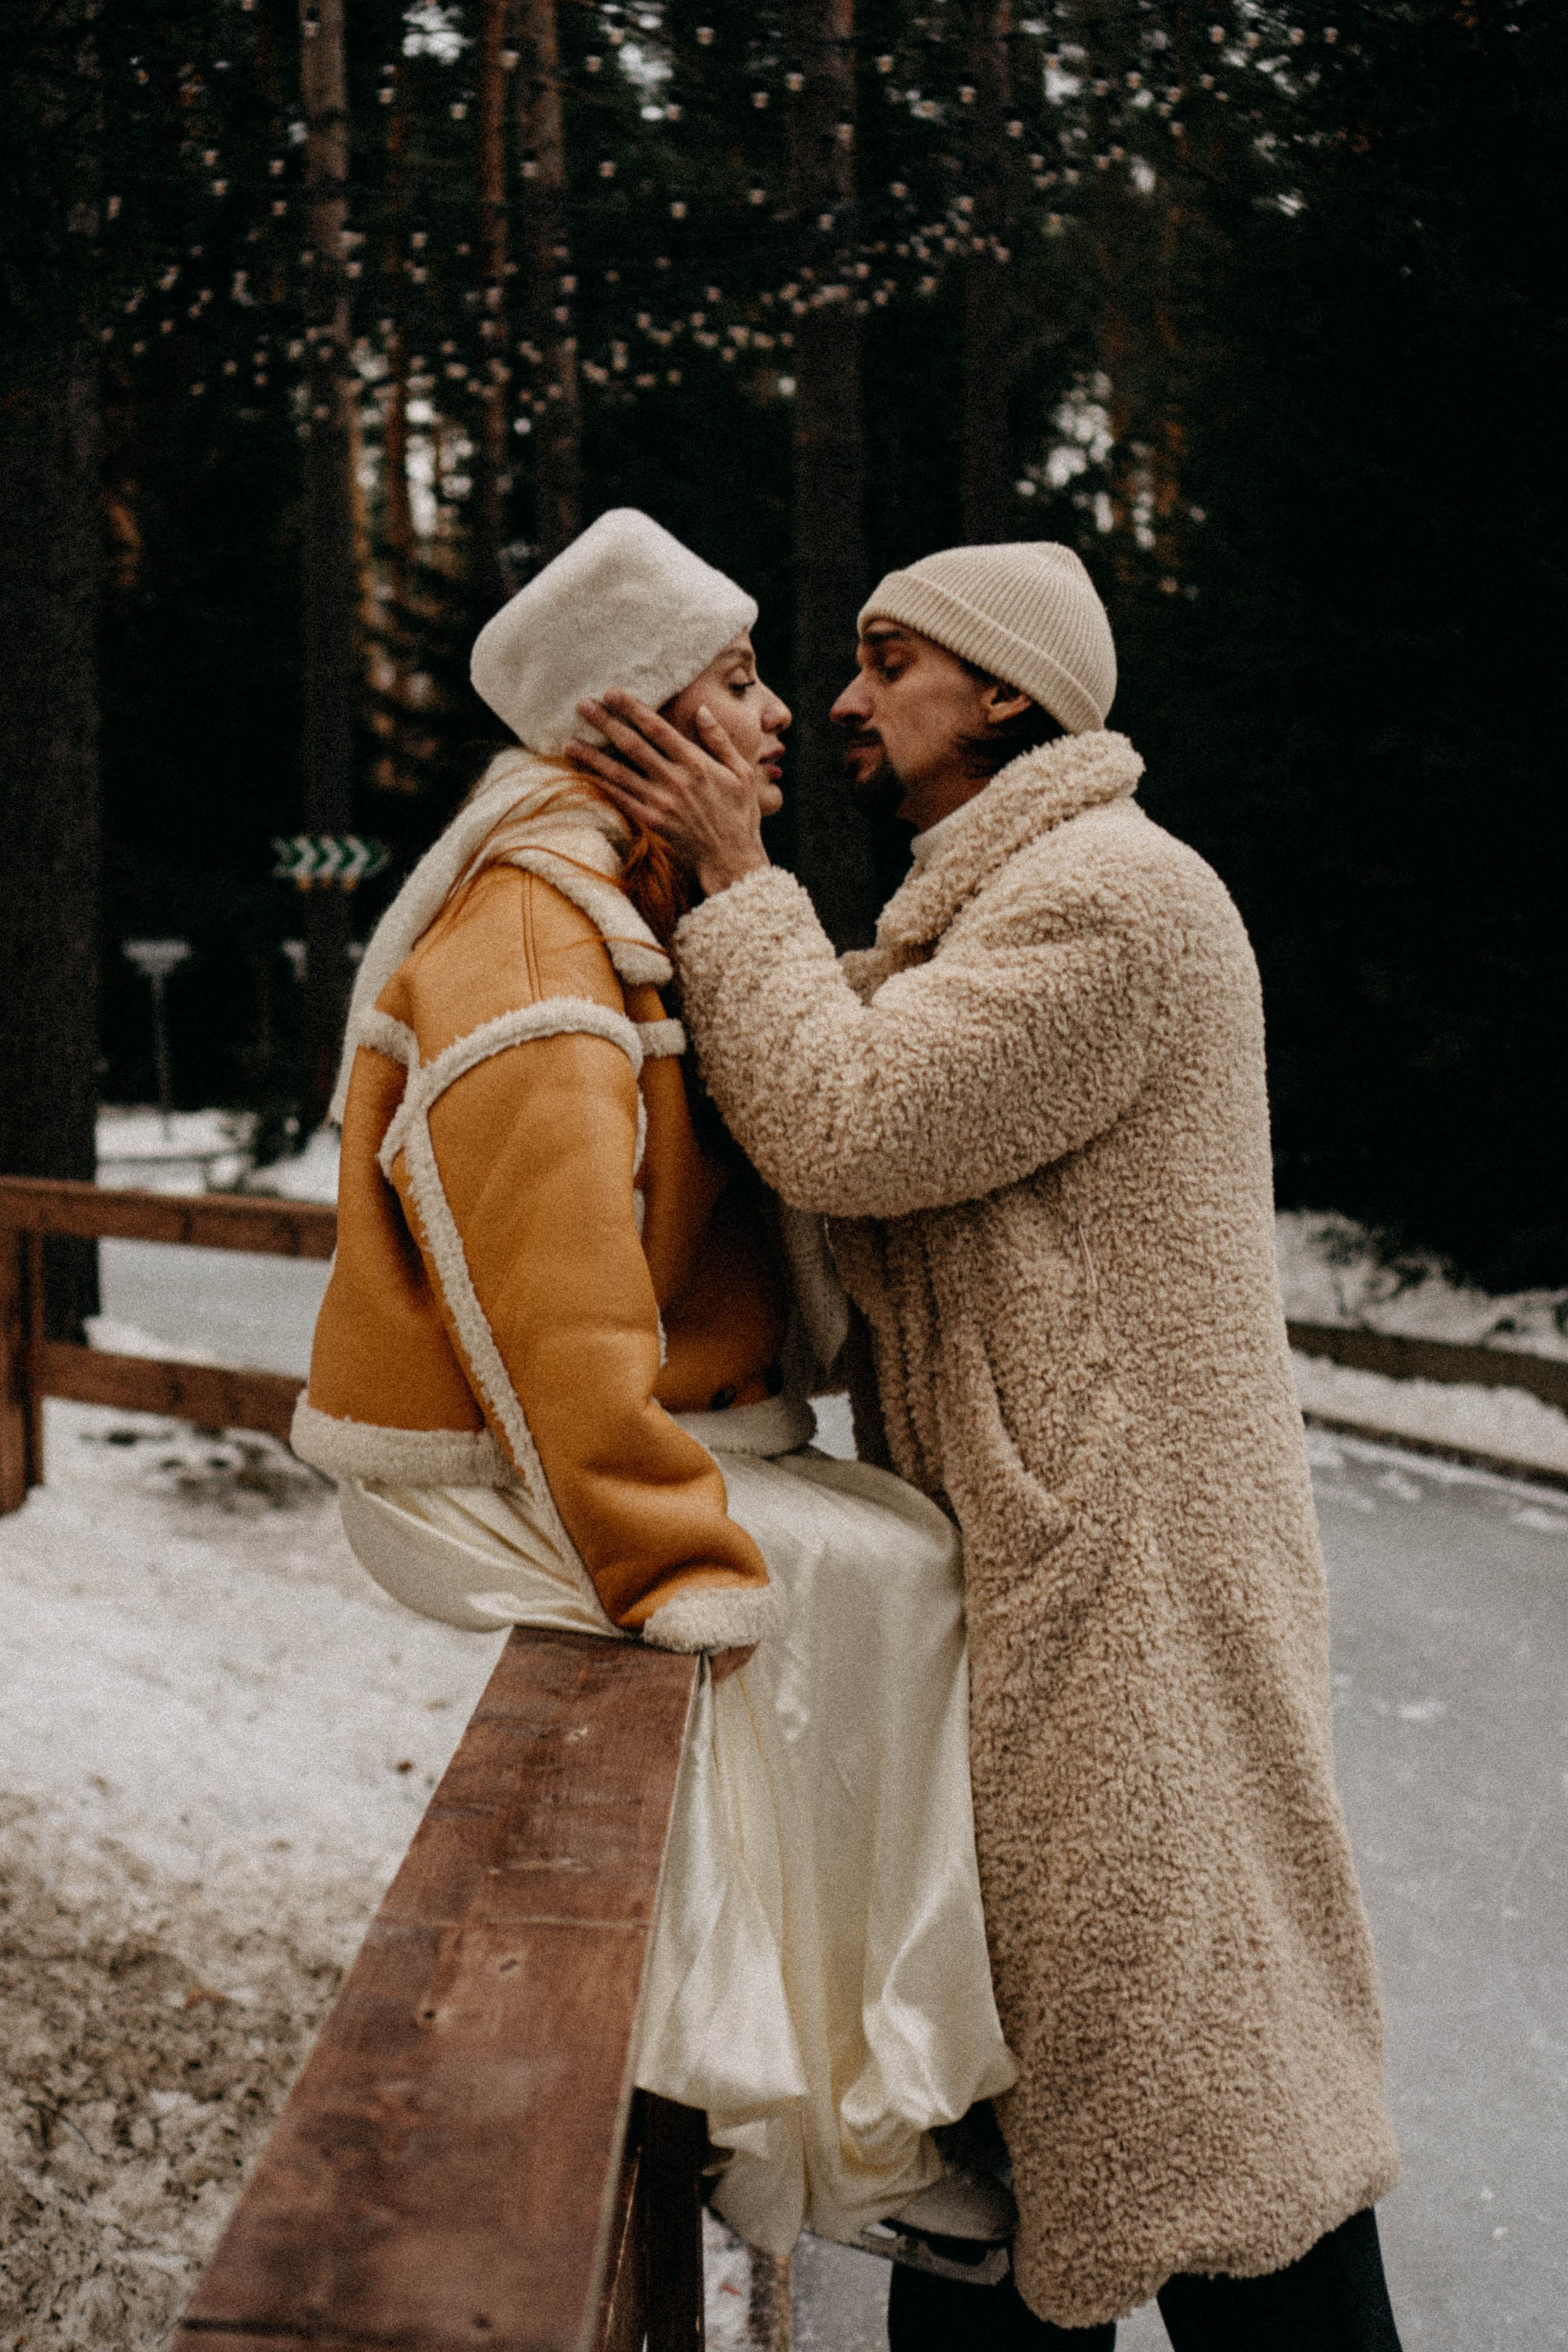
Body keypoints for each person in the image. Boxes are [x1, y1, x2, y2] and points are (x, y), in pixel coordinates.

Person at [568, 539, 1406, 2346]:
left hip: (1139, 1616)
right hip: (1039, 1600)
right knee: (1035, 2176)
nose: (843, 702)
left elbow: (851, 1127)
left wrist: (734, 878)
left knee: (1232, 2163)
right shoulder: (971, 919)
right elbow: (818, 1198)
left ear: (1010, 689)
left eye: (889, 662)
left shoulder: (1118, 897)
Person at [290, 509, 1017, 2274]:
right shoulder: (539, 938)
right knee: (874, 1587)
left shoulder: (633, 904)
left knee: (903, 1549)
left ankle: (873, 2086)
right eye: (741, 680)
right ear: (628, 719)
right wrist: (657, 1553)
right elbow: (545, 1308)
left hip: (627, 1437)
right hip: (491, 1467)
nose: (782, 719)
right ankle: (826, 2115)